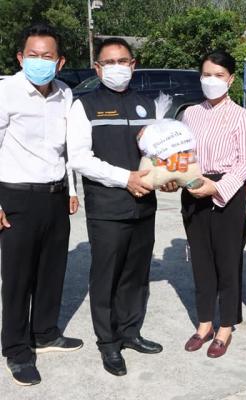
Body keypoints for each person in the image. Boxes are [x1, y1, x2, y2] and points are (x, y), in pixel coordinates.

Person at [67, 38, 162, 377]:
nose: (117, 67)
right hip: (108, 207)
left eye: (123, 61)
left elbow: (158, 152)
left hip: (144, 205)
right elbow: (80, 158)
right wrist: (125, 179)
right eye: (109, 62)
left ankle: (130, 331)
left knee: (136, 273)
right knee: (107, 275)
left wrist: (165, 176)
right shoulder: (85, 106)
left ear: (133, 65)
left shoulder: (147, 104)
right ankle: (108, 342)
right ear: (97, 68)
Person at [0, 23, 82, 386]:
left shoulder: (65, 94)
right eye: (32, 55)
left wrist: (72, 189)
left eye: (47, 56)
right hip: (16, 196)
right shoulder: (6, 92)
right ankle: (17, 350)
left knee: (52, 269)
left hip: (55, 194)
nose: (39, 61)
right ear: (20, 58)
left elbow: (67, 148)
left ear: (60, 62)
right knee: (18, 278)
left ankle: (45, 332)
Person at [181, 50, 246, 358]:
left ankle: (225, 326)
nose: (211, 80)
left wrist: (217, 187)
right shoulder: (190, 113)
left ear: (231, 79)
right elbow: (182, 154)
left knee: (227, 263)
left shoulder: (242, 116)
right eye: (206, 75)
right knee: (200, 261)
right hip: (193, 188)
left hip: (227, 192)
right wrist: (177, 177)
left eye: (218, 75)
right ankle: (204, 324)